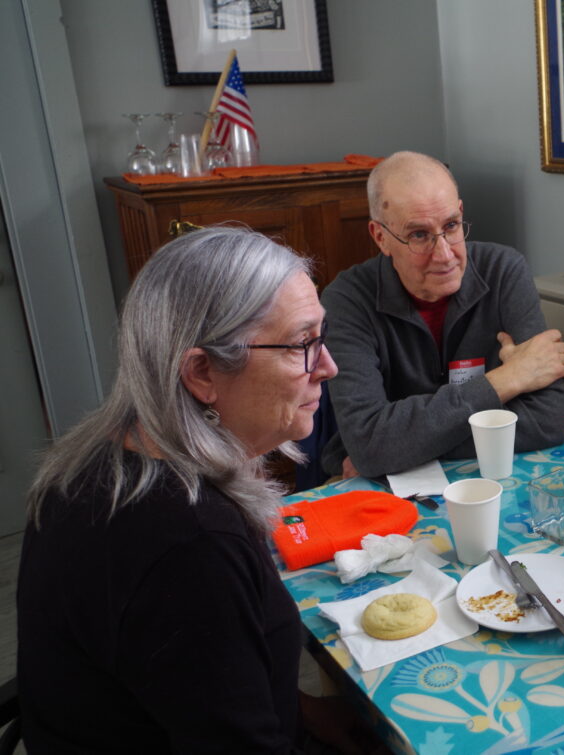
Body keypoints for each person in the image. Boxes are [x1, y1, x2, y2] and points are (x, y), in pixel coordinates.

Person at [17, 227, 371, 752]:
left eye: (321, 337)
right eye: (302, 344)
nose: (328, 366)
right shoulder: (190, 547)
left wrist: (306, 712)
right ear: (203, 372)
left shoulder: (98, 460)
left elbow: (201, 683)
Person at [320, 151, 564, 479]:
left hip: (475, 477)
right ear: (380, 237)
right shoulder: (346, 299)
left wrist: (404, 446)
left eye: (451, 226)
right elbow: (369, 445)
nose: (444, 254)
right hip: (376, 487)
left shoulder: (504, 271)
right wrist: (505, 380)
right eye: (419, 235)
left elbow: (549, 420)